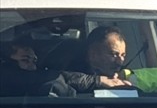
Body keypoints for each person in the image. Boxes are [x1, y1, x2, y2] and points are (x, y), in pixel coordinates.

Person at [1, 37, 130, 96]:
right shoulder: (7, 78)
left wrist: (99, 81)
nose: (32, 66)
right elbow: (52, 78)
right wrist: (96, 82)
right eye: (25, 60)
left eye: (34, 60)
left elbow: (62, 76)